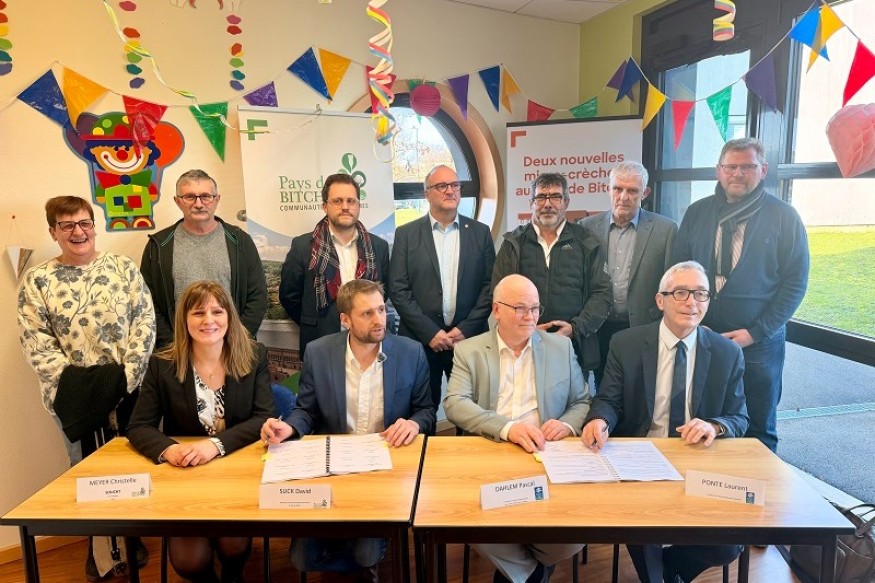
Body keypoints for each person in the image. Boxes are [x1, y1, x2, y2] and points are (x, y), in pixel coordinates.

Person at [581, 261, 748, 583]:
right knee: (643, 524)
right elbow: (608, 400)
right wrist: (599, 419)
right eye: (681, 293)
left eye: (701, 294)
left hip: (697, 458)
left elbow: (739, 417)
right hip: (639, 456)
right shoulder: (626, 343)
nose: (692, 302)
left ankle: (670, 568)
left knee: (729, 545)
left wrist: (714, 425)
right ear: (660, 300)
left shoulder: (727, 353)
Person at [17, 195, 155, 582]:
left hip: (128, 390)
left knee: (132, 466)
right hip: (72, 396)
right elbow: (36, 344)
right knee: (87, 472)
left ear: (94, 226)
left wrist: (124, 379)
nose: (78, 232)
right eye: (67, 225)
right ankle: (101, 552)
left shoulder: (122, 268)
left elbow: (144, 322)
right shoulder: (38, 281)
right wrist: (83, 390)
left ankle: (129, 539)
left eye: (84, 223)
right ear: (53, 232)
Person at [261, 279, 435, 582]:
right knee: (302, 558)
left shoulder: (411, 352)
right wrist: (288, 427)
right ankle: (353, 546)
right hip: (333, 466)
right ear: (345, 320)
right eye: (367, 313)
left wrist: (413, 423)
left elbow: (426, 411)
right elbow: (307, 411)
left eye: (381, 309)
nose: (379, 320)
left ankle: (364, 551)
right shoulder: (318, 352)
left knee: (366, 554)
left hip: (384, 468)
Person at [444, 274, 590, 583]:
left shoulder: (561, 347)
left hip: (547, 454)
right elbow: (455, 403)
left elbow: (582, 401)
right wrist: (507, 428)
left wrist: (566, 424)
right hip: (491, 452)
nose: (530, 317)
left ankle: (520, 570)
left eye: (535, 308)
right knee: (468, 522)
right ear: (497, 310)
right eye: (520, 308)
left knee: (575, 535)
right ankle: (534, 573)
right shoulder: (469, 350)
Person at [128, 280, 273, 583]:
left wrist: (215, 445)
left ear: (229, 316)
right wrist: (169, 449)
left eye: (217, 311)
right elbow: (139, 426)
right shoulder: (162, 365)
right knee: (189, 562)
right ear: (185, 320)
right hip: (186, 476)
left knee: (234, 547)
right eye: (198, 313)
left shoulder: (254, 356)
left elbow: (263, 417)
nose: (209, 320)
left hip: (237, 473)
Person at [672, 137, 809, 452]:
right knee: (703, 419)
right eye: (730, 166)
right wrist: (691, 324)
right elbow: (679, 270)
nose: (737, 174)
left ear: (763, 170)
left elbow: (795, 283)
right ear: (718, 170)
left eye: (747, 166)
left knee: (759, 424)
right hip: (704, 336)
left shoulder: (784, 217)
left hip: (759, 342)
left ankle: (760, 483)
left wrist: (755, 333)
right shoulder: (697, 213)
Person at [388, 164, 495, 407]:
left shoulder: (480, 233)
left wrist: (465, 329)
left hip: (470, 340)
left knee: (474, 411)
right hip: (421, 342)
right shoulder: (406, 234)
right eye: (442, 186)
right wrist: (430, 333)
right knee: (422, 410)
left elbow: (490, 286)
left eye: (455, 185)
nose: (450, 191)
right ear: (427, 193)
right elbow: (398, 289)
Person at [492, 172, 611, 374]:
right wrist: (527, 329)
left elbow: (602, 294)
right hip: (523, 347)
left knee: (573, 396)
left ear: (566, 202)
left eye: (555, 197)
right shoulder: (513, 243)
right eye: (541, 197)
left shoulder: (586, 241)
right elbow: (499, 295)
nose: (548, 204)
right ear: (531, 203)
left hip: (574, 348)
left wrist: (575, 329)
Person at [141, 169, 268, 349]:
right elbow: (148, 302)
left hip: (234, 349)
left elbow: (257, 296)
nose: (198, 204)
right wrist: (173, 345)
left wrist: (236, 342)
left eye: (206, 196)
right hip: (178, 350)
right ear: (177, 201)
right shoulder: (159, 246)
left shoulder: (240, 241)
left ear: (216, 200)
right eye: (189, 197)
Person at [578, 161, 678, 389]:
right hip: (600, 328)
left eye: (632, 190)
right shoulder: (587, 227)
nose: (623, 197)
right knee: (604, 388)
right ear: (608, 189)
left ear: (645, 193)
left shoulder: (666, 230)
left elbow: (672, 285)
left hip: (645, 326)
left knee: (641, 390)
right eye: (618, 189)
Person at [279, 173, 391, 357]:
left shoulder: (378, 247)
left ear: (358, 205)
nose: (345, 207)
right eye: (337, 201)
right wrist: (317, 322)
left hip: (367, 341)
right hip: (320, 340)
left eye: (351, 201)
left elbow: (383, 293)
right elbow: (289, 296)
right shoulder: (302, 246)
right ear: (325, 206)